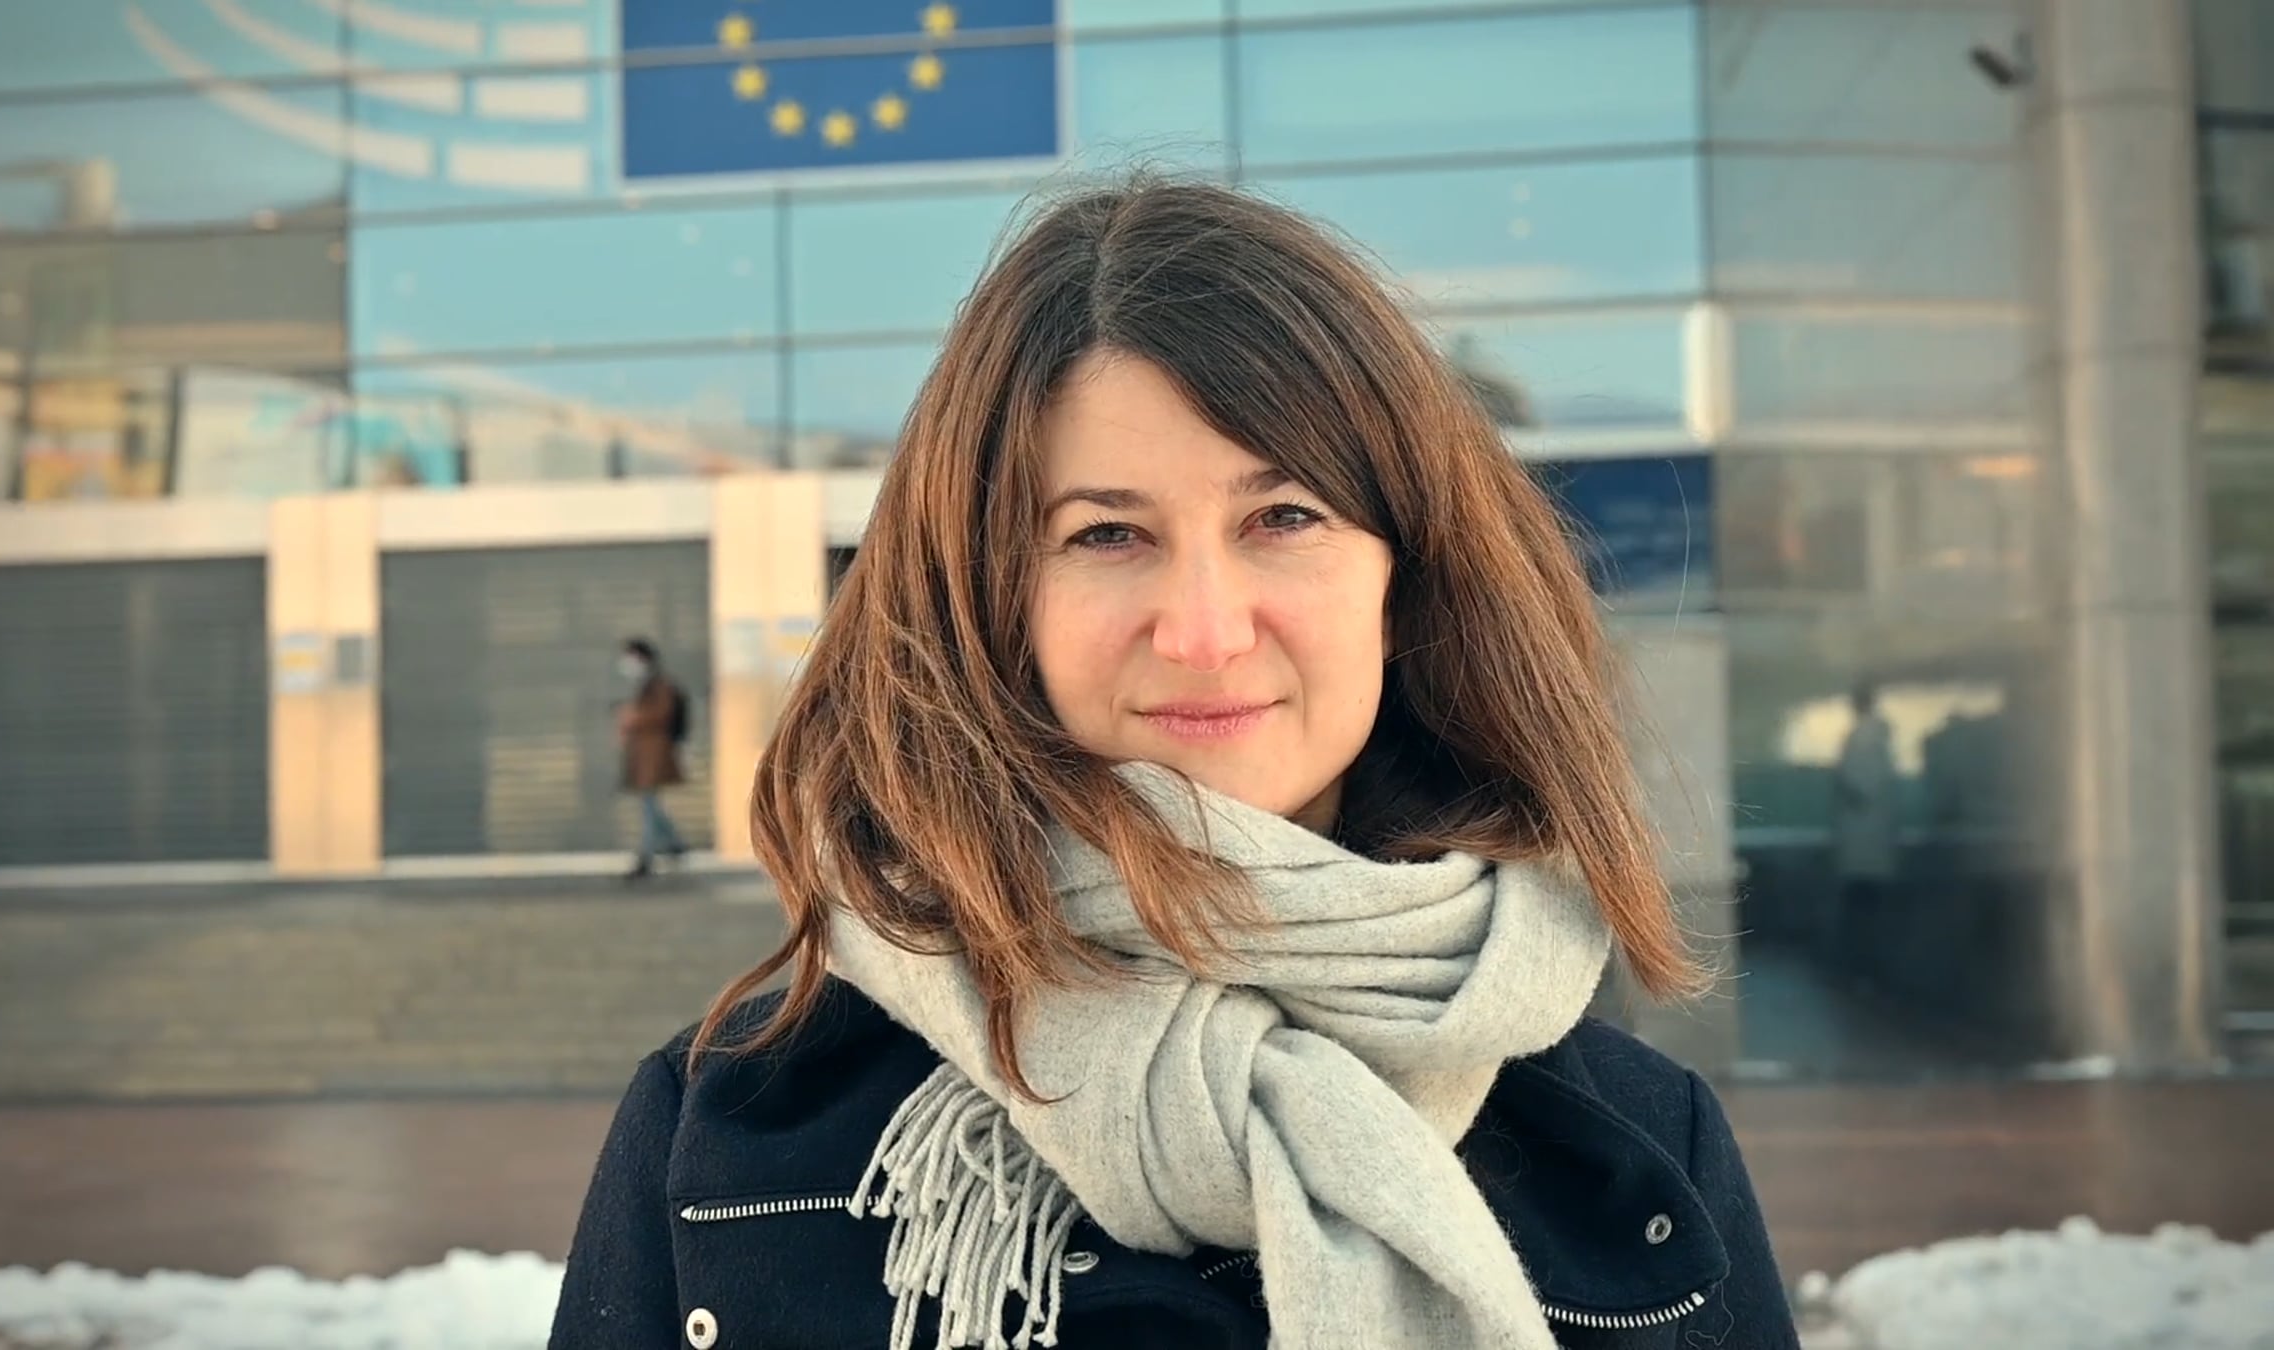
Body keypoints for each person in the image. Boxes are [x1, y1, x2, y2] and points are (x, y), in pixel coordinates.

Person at [552, 179, 1797, 1350]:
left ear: (1405, 583)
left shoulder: (1643, 1153)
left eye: (1284, 518)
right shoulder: (726, 1145)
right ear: (993, 604)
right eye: (1107, 534)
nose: (1204, 631)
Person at [1830, 681, 1900, 965]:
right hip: (1872, 839)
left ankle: (1862, 962)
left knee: (1861, 903)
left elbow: (1855, 785)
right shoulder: (1877, 739)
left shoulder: (1862, 739)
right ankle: (1868, 960)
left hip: (1862, 840)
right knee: (1869, 902)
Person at [615, 637, 689, 880]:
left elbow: (660, 713)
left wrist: (632, 717)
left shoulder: (659, 685)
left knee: (649, 807)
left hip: (653, 757)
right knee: (651, 805)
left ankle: (646, 857)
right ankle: (674, 845)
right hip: (644, 757)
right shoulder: (645, 685)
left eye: (631, 657)